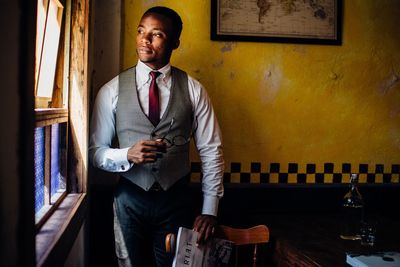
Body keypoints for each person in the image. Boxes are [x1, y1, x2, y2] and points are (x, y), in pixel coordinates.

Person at [89, 6, 224, 267]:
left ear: (175, 42)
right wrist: (126, 155)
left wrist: (209, 210)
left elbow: (211, 150)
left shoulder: (194, 91)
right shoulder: (111, 90)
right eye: (141, 31)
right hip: (128, 201)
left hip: (177, 201)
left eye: (156, 34)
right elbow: (95, 152)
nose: (144, 39)